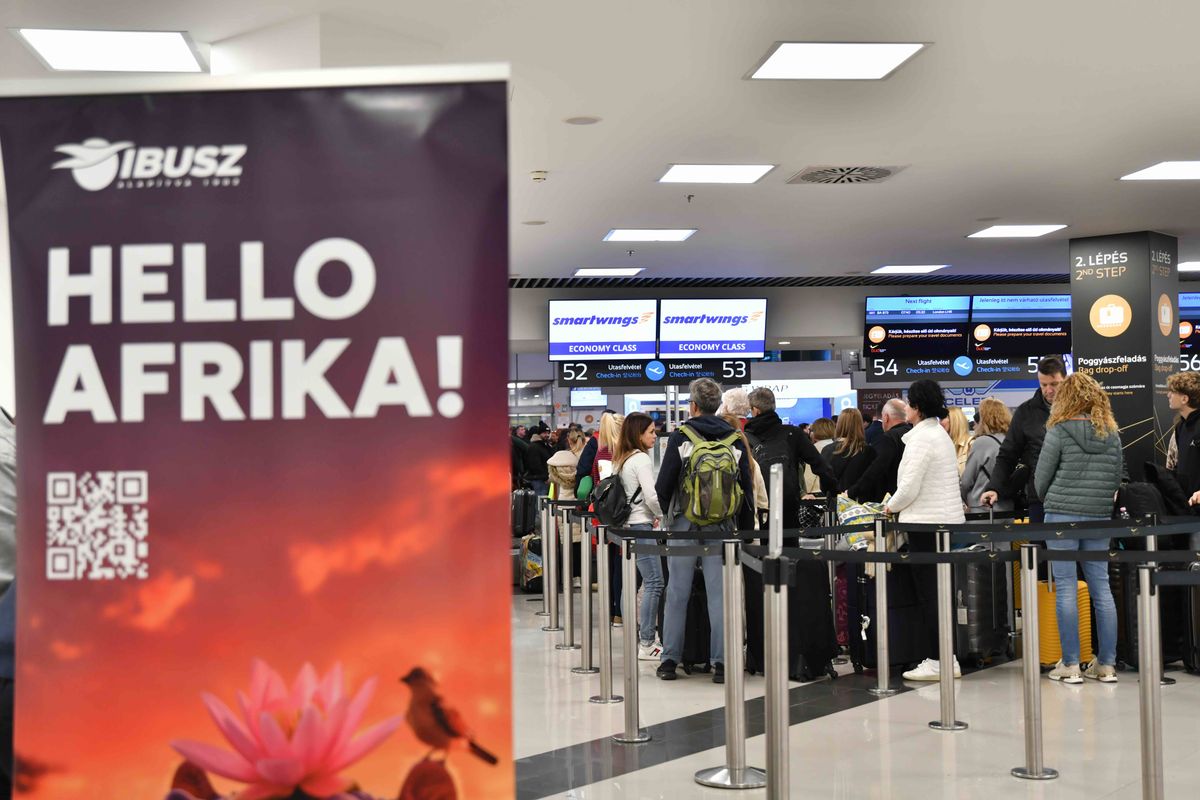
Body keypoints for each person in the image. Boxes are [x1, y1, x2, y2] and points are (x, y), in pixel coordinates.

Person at [655, 379, 755, 683]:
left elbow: (664, 485)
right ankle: (721, 663)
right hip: (722, 525)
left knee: (677, 592)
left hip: (684, 524)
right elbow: (746, 488)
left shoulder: (680, 437)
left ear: (693, 406)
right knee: (719, 595)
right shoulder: (734, 438)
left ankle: (670, 660)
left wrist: (670, 516)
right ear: (718, 405)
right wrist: (745, 531)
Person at [1033, 372, 1122, 684]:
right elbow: (1116, 478)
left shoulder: (1058, 430)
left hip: (1061, 517)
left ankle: (1070, 665)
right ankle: (1107, 664)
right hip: (1099, 517)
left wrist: (1050, 499)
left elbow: (1041, 478)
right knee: (1102, 588)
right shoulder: (1111, 433)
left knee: (1067, 588)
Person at [883, 380, 965, 682]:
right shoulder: (938, 434)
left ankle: (939, 659)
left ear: (916, 407)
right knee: (940, 592)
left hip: (925, 523)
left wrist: (890, 506)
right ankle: (946, 656)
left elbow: (909, 487)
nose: (906, 408)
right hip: (943, 522)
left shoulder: (922, 439)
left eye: (909, 403)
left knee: (930, 595)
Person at [980, 356, 1067, 521]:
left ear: (1065, 380)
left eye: (1054, 384)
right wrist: (994, 487)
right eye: (1043, 385)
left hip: (1076, 497)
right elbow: (1008, 454)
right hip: (1040, 498)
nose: (1049, 390)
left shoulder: (1081, 410)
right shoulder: (1025, 412)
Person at [614, 413, 667, 660]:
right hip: (641, 526)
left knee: (631, 583)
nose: (655, 436)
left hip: (627, 527)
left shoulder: (623, 459)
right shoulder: (642, 459)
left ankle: (633, 637)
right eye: (651, 432)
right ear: (639, 434)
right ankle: (647, 642)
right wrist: (662, 515)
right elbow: (651, 495)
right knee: (655, 581)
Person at [592, 412, 625, 625]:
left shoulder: (600, 452)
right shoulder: (620, 453)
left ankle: (612, 610)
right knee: (620, 565)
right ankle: (619, 611)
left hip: (603, 515)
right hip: (620, 515)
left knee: (610, 564)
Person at [847, 398, 911, 503]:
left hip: (892, 498)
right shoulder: (913, 434)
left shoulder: (888, 438)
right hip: (911, 495)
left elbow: (876, 469)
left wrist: (853, 491)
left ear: (886, 417)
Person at [961, 397, 1013, 514]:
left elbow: (966, 481)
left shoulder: (982, 442)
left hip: (983, 507)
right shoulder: (1011, 440)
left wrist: (964, 499)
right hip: (1008, 507)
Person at [822, 408, 875, 495]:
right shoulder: (867, 451)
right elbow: (871, 481)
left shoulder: (827, 449)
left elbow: (824, 484)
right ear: (859, 424)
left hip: (835, 499)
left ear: (839, 424)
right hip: (859, 500)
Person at [804, 417, 837, 495]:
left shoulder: (814, 448)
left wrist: (805, 493)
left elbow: (809, 477)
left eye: (812, 430)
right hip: (834, 490)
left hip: (816, 492)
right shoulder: (837, 446)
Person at [523, 432, 554, 499]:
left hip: (543, 478)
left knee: (543, 500)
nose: (547, 435)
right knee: (540, 499)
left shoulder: (545, 445)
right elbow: (535, 465)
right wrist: (545, 477)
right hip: (539, 479)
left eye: (548, 433)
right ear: (539, 434)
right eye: (544, 433)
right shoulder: (535, 447)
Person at [944, 407, 973, 475]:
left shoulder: (971, 444)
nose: (939, 423)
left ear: (954, 421)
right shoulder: (943, 445)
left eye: (942, 418)